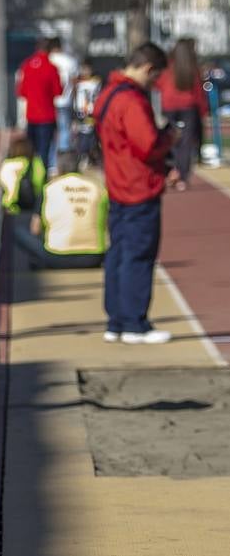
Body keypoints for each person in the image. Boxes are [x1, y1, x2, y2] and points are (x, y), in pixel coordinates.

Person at [94, 42, 177, 345]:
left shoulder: (107, 95)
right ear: (147, 68)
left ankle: (116, 320)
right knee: (138, 255)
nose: (154, 85)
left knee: (118, 253)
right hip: (137, 186)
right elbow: (147, 144)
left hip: (118, 183)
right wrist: (169, 138)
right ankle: (134, 322)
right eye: (154, 78)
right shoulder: (130, 100)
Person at [11, 151, 107, 270]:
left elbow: (35, 229)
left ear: (59, 168)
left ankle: (36, 262)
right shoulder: (97, 188)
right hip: (94, 257)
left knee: (18, 232)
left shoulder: (48, 189)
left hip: (57, 257)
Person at [154, 38, 208, 193]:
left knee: (170, 140)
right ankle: (182, 177)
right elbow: (198, 92)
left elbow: (158, 84)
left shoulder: (167, 67)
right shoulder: (191, 68)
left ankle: (171, 171)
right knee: (185, 142)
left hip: (169, 106)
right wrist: (203, 111)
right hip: (188, 107)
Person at [16, 38, 63, 168]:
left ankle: (30, 179)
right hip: (47, 116)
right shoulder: (51, 68)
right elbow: (58, 91)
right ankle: (41, 179)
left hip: (31, 115)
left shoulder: (26, 65)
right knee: (44, 152)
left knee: (31, 150)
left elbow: (22, 91)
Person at [47, 37, 78, 171]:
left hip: (49, 101)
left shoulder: (48, 60)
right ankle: (64, 164)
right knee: (64, 131)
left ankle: (51, 163)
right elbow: (74, 82)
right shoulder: (70, 61)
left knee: (51, 132)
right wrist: (74, 98)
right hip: (65, 100)